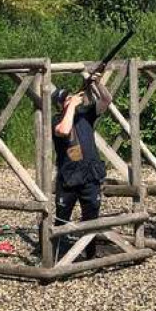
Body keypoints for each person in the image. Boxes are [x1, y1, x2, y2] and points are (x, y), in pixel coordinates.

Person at [51, 70, 111, 259]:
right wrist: (71, 107)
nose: (72, 99)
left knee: (91, 220)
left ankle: (90, 256)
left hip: (90, 175)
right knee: (62, 219)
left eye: (71, 96)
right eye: (67, 99)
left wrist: (97, 83)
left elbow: (106, 100)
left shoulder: (86, 114)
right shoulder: (57, 120)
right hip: (68, 178)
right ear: (61, 105)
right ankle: (55, 257)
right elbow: (64, 129)